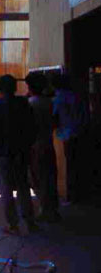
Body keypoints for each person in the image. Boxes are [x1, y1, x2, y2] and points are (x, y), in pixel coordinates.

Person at [0, 75, 38, 234]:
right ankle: (30, 222)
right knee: (23, 187)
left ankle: (13, 225)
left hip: (3, 155)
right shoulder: (24, 104)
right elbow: (32, 128)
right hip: (21, 153)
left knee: (6, 191)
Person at [25, 73, 61, 222]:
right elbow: (56, 122)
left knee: (38, 178)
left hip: (35, 144)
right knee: (50, 177)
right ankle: (52, 209)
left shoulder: (30, 104)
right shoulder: (50, 102)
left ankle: (45, 209)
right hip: (48, 142)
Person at [51, 74, 88, 203]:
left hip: (64, 134)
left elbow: (53, 117)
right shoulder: (76, 97)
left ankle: (68, 194)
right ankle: (79, 193)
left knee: (66, 166)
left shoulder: (58, 98)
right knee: (78, 165)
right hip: (79, 132)